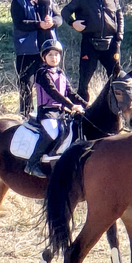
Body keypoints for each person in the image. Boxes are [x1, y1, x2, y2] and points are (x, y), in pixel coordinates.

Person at [25, 40, 86, 179]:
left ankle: (56, 158)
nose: (54, 58)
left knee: (67, 131)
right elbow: (54, 93)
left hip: (60, 112)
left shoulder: (61, 73)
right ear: (44, 57)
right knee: (53, 132)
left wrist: (86, 105)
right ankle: (32, 163)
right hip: (46, 112)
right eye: (50, 55)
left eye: (56, 55)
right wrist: (72, 106)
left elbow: (70, 93)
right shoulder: (41, 73)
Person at [61, 0, 124, 102]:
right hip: (90, 42)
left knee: (116, 77)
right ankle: (82, 108)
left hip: (111, 43)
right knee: (84, 79)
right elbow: (65, 12)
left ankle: (115, 105)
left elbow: (119, 16)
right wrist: (73, 23)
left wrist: (119, 37)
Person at [10, 0, 62, 115]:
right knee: (26, 84)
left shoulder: (47, 0)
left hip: (47, 50)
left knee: (50, 82)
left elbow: (59, 18)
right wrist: (40, 25)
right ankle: (26, 114)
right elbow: (20, 24)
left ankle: (50, 110)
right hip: (27, 49)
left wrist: (52, 22)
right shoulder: (18, 2)